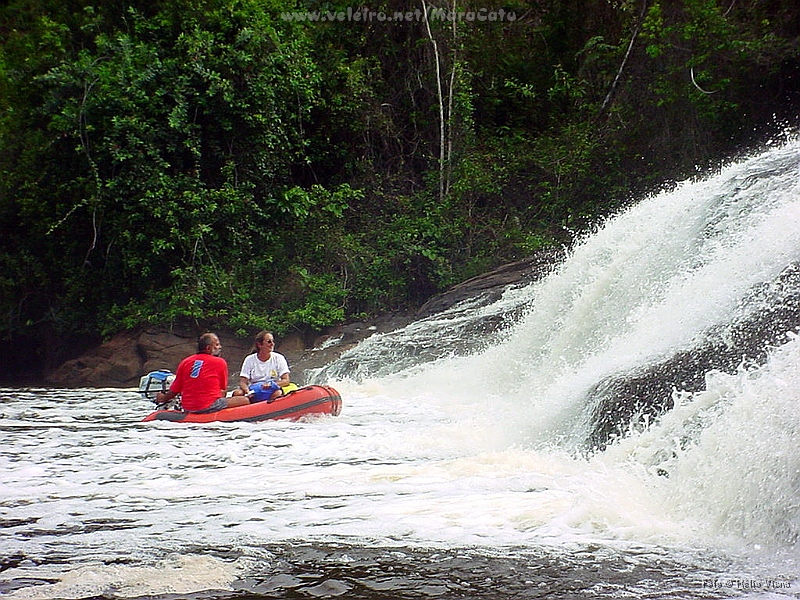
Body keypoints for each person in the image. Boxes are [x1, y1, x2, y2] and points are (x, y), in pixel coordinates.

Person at [156, 333, 250, 413]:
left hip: (188, 407)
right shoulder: (220, 362)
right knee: (244, 400)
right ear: (208, 348)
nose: (220, 347)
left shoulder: (185, 361)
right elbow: (222, 389)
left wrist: (164, 398)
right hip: (207, 406)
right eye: (216, 345)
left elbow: (175, 389)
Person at [232, 330, 294, 402]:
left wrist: (271, 385)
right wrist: (247, 391)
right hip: (254, 390)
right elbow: (243, 382)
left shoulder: (279, 358)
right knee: (237, 393)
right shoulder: (249, 359)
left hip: (272, 389)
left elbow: (286, 380)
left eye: (273, 341)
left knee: (278, 393)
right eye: (269, 342)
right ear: (259, 344)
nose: (272, 344)